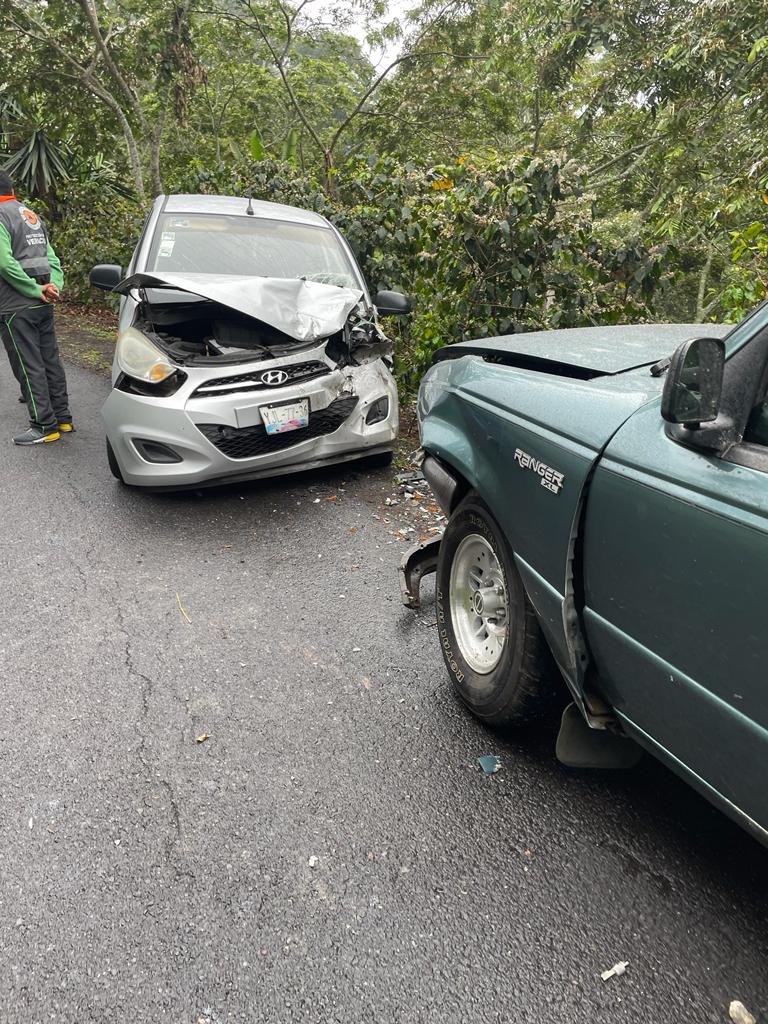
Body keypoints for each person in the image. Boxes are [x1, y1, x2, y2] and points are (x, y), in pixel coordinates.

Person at [0, 170, 73, 445]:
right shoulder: (30, 215)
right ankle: (63, 418)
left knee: (28, 365)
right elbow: (52, 258)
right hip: (43, 303)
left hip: (17, 305)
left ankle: (44, 425)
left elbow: (4, 263)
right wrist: (53, 287)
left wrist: (33, 289)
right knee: (49, 361)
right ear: (12, 190)